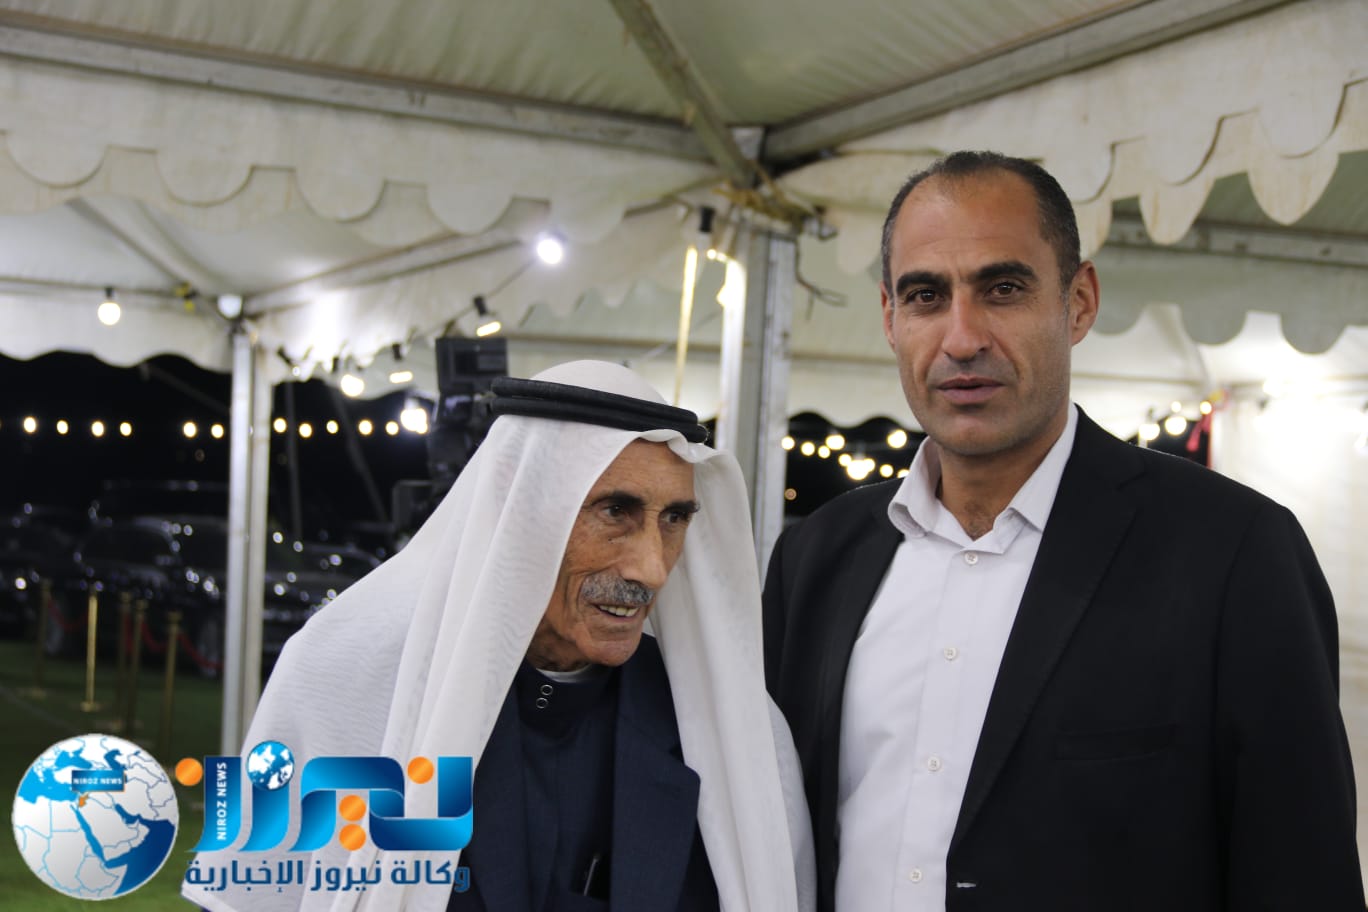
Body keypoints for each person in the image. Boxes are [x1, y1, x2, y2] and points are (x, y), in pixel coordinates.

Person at [762, 151, 1363, 911]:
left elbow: (1302, 875)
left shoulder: (1233, 554)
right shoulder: (816, 557)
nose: (961, 338)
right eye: (926, 296)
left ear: (1078, 303)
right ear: (889, 317)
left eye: (1002, 289)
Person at [185, 360, 814, 912]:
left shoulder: (728, 729)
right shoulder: (344, 675)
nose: (651, 569)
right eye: (615, 512)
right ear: (522, 512)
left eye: (674, 518)